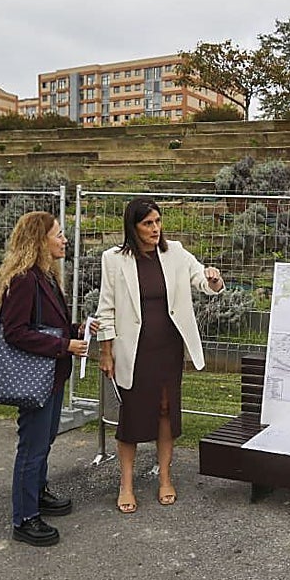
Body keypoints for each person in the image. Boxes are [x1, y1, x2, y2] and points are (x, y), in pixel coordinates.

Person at [96, 198, 224, 513]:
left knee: (166, 411)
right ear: (133, 227)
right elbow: (106, 308)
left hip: (168, 348)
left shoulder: (175, 252)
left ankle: (165, 477)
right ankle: (126, 483)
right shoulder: (113, 260)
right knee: (131, 416)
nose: (155, 229)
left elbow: (201, 280)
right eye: (147, 224)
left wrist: (213, 280)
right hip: (133, 351)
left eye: (158, 221)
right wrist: (107, 352)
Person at [0, 211, 89, 547]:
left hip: (49, 376)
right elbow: (15, 332)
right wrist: (64, 345)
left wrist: (77, 330)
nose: (64, 240)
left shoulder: (45, 277)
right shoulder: (24, 280)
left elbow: (46, 323)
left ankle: (37, 491)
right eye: (59, 234)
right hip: (34, 378)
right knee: (32, 447)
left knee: (44, 440)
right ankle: (24, 517)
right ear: (40, 240)